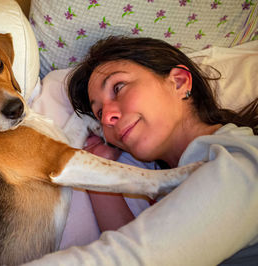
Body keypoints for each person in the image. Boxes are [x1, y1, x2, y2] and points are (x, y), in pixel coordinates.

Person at [26, 36, 258, 265]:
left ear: (179, 82)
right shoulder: (180, 182)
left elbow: (131, 257)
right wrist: (99, 168)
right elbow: (137, 238)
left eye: (118, 88)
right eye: (98, 113)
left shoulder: (241, 162)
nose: (107, 118)